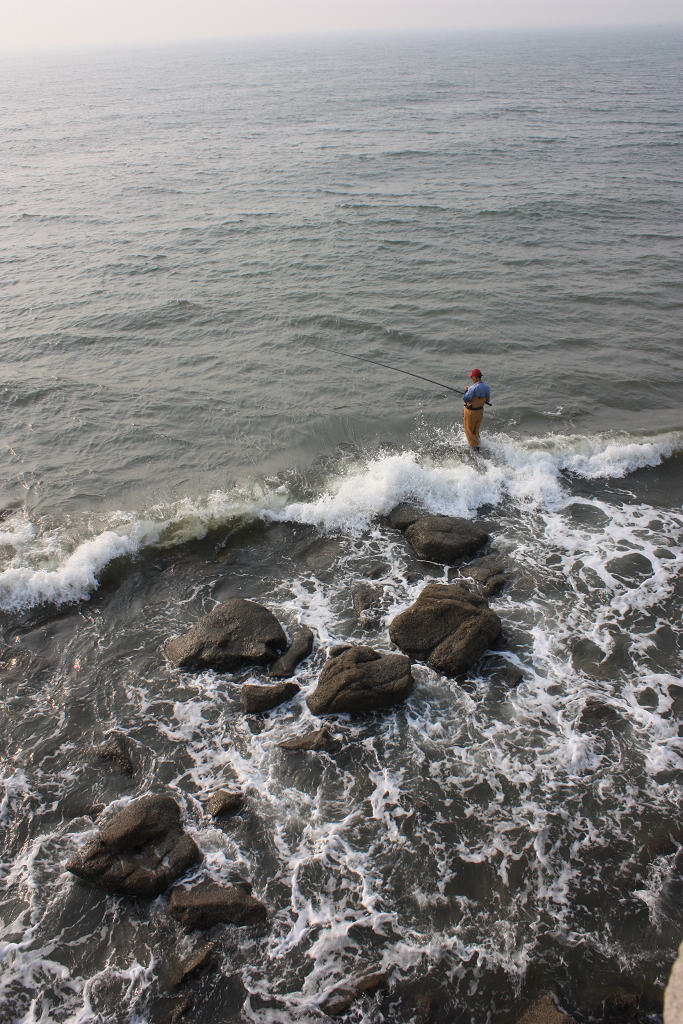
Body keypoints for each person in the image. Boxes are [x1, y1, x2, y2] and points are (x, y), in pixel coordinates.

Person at [462, 369, 490, 448]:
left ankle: (476, 452)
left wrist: (465, 391)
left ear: (476, 378)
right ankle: (478, 443)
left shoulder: (472, 388)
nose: (471, 379)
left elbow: (465, 398)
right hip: (480, 412)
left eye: (472, 377)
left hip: (471, 413)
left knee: (469, 432)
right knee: (475, 430)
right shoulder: (487, 387)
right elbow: (488, 400)